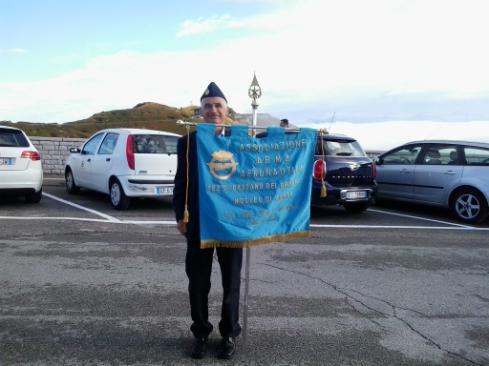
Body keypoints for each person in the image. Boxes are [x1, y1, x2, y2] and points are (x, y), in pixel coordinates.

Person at [173, 82, 243, 360]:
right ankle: (200, 332)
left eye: (218, 105)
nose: (213, 110)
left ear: (226, 110)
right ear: (201, 111)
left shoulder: (240, 138)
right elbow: (180, 181)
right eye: (208, 106)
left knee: (231, 282)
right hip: (198, 220)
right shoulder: (187, 141)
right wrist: (180, 214)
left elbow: (260, 168)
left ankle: (228, 333)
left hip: (232, 221)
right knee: (198, 282)